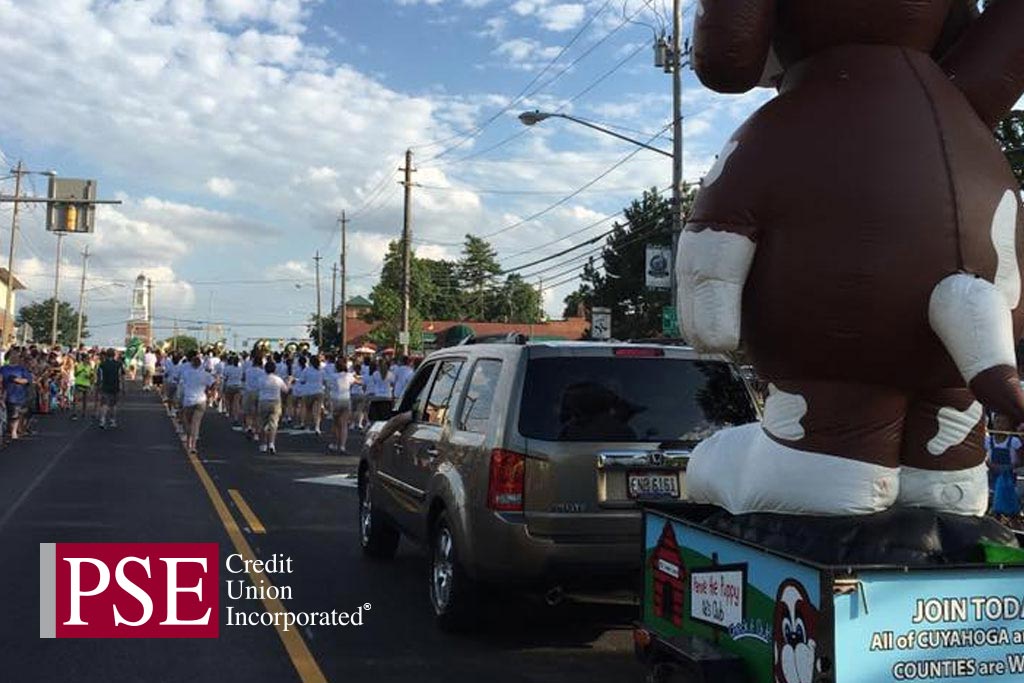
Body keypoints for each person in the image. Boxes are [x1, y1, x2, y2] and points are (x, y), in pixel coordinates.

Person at [987, 414, 1022, 518]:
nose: (1000, 425)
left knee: (1008, 496)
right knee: (992, 495)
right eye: (998, 422)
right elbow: (983, 456)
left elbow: (1020, 460)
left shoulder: (1015, 442)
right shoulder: (988, 440)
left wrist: (1009, 467)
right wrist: (990, 465)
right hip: (992, 472)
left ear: (1009, 426)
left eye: (1004, 422)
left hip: (1009, 474)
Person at [179, 350, 215, 454]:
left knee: (187, 422)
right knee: (196, 423)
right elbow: (213, 383)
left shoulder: (186, 373)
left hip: (188, 400)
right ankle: (193, 445)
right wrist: (209, 392)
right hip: (201, 400)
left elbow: (181, 384)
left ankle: (188, 440)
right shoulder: (205, 374)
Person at [324, 354, 359, 453]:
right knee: (344, 425)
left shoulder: (333, 376)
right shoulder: (349, 376)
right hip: (346, 399)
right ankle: (342, 446)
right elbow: (357, 382)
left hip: (335, 400)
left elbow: (328, 386)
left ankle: (334, 444)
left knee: (335, 424)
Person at [257, 360, 290, 454]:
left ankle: (263, 444)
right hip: (275, 401)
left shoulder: (261, 379)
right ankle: (271, 444)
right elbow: (286, 390)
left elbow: (257, 388)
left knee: (262, 423)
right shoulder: (278, 379)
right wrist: (289, 382)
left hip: (263, 401)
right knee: (273, 424)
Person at [1, 350, 33, 439]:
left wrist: (17, 380)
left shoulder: (21, 369)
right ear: (9, 357)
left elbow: (28, 380)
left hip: (18, 394)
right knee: (6, 414)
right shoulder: (3, 368)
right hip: (6, 394)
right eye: (12, 355)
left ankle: (13, 431)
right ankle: (7, 430)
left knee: (15, 414)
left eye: (16, 356)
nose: (14, 357)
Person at [96, 348, 124, 429]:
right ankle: (112, 420)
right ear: (114, 355)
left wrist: (98, 386)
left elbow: (99, 377)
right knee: (113, 404)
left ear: (107, 355)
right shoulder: (119, 364)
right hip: (115, 386)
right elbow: (121, 376)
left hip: (105, 386)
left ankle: (102, 420)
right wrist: (123, 387)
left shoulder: (102, 364)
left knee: (104, 404)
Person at [303, 355, 326, 435]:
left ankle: (307, 426)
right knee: (317, 411)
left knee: (308, 410)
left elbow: (302, 380)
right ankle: (317, 427)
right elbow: (325, 380)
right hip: (319, 391)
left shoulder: (307, 370)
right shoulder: (321, 370)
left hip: (309, 391)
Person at [221, 354, 244, 427]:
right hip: (238, 386)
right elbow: (242, 377)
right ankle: (236, 417)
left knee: (228, 400)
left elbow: (225, 378)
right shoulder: (240, 369)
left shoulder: (227, 368)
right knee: (236, 402)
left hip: (229, 385)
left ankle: (228, 412)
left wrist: (223, 387)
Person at [72, 352, 95, 421]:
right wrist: (81, 371)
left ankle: (84, 413)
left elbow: (92, 375)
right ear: (83, 359)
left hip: (86, 384)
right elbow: (75, 374)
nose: (88, 360)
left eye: (88, 359)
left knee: (85, 400)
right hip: (79, 383)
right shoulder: (78, 365)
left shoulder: (89, 367)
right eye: (87, 359)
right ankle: (74, 413)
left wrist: (90, 377)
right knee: (76, 399)